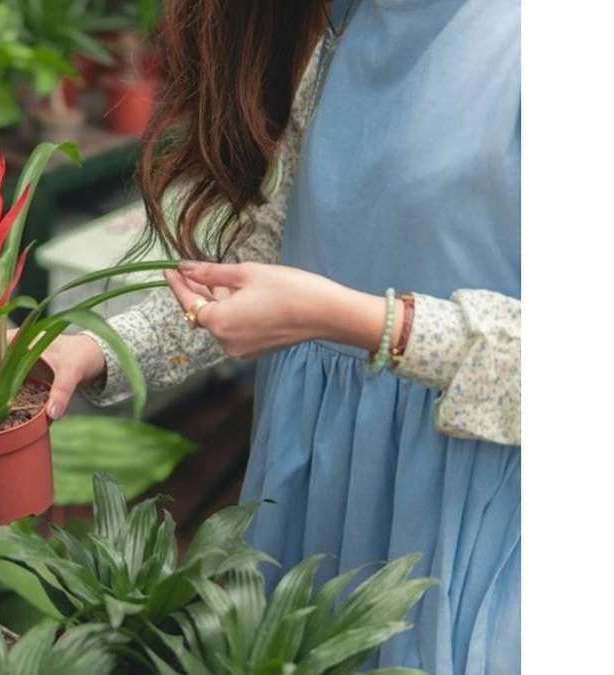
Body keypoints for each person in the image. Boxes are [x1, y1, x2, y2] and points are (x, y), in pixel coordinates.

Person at [35, 0, 521, 672]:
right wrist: (96, 348)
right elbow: (269, 255)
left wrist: (363, 322)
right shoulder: (348, 28)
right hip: (312, 474)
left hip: (458, 505)